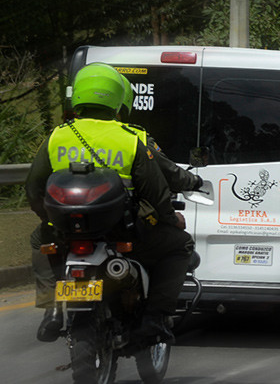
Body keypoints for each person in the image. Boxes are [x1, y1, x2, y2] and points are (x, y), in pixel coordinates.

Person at [26, 63, 196, 343]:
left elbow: (34, 187)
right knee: (180, 245)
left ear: (78, 96)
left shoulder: (57, 136)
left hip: (69, 229)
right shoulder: (132, 138)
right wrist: (170, 218)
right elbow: (155, 192)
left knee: (39, 241)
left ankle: (52, 311)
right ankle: (154, 318)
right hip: (123, 230)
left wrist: (49, 219)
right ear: (119, 100)